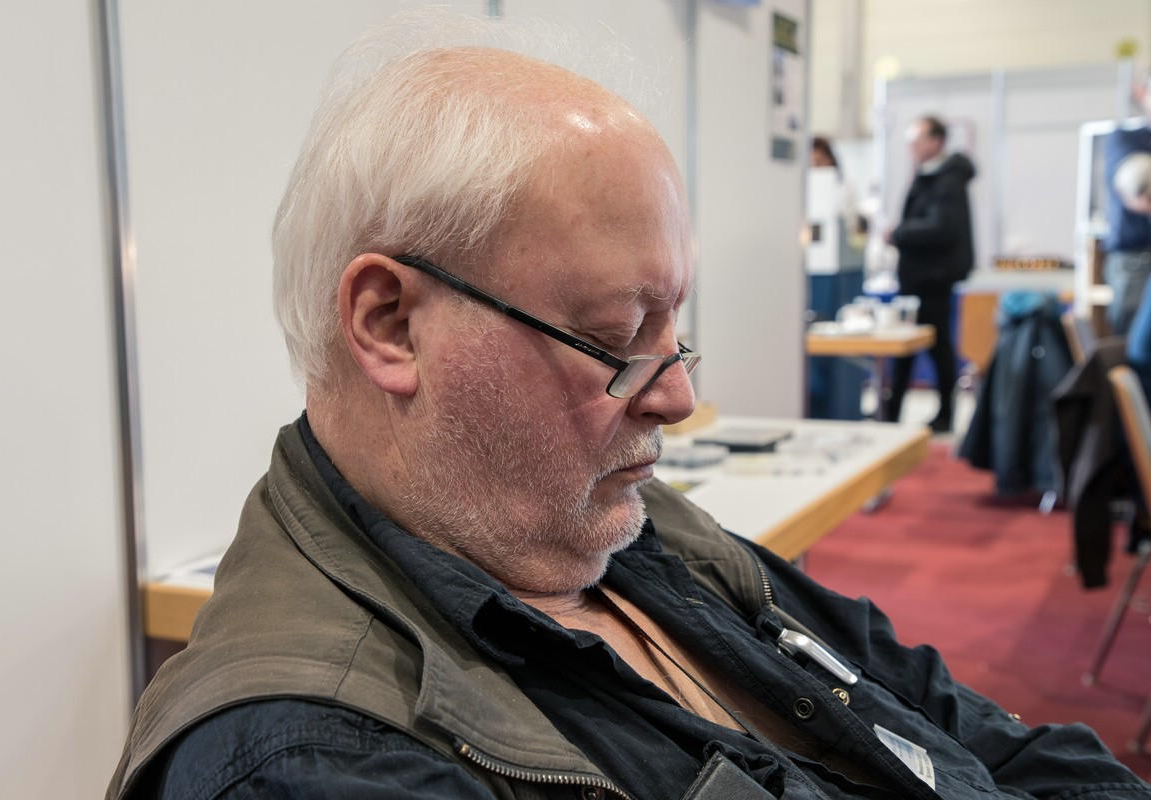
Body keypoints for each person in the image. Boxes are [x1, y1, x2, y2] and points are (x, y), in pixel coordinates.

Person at [107, 15, 1150, 800]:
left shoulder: (609, 526)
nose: (679, 395)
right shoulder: (311, 756)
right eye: (614, 336)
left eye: (673, 327)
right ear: (391, 324)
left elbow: (954, 720)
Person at [884, 114, 975, 433]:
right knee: (908, 347)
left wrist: (899, 233)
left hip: (933, 277)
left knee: (937, 347)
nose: (911, 147)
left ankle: (944, 414)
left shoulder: (947, 179)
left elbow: (942, 228)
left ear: (936, 141)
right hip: (919, 276)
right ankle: (892, 412)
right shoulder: (931, 175)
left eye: (917, 140)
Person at [1103, 76, 1151, 336]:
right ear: (1141, 92)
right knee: (1133, 346)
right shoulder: (1125, 139)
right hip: (1136, 262)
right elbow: (1138, 189)